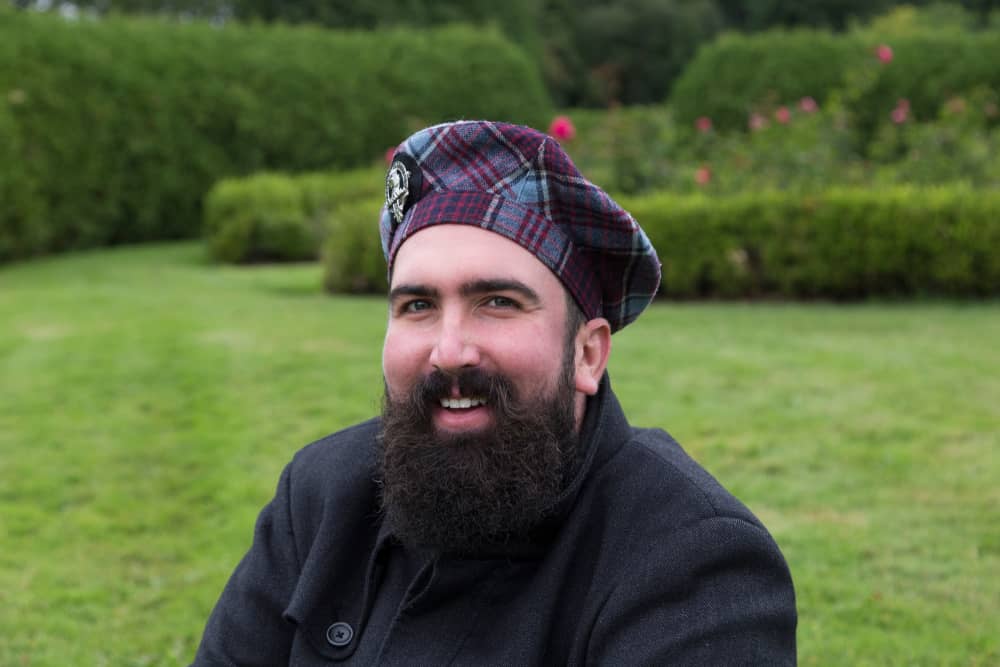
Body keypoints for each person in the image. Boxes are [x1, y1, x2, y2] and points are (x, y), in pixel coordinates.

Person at [192, 120, 797, 665]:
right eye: (419, 305)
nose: (450, 350)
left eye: (498, 303)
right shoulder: (321, 496)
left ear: (587, 353)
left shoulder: (692, 564)